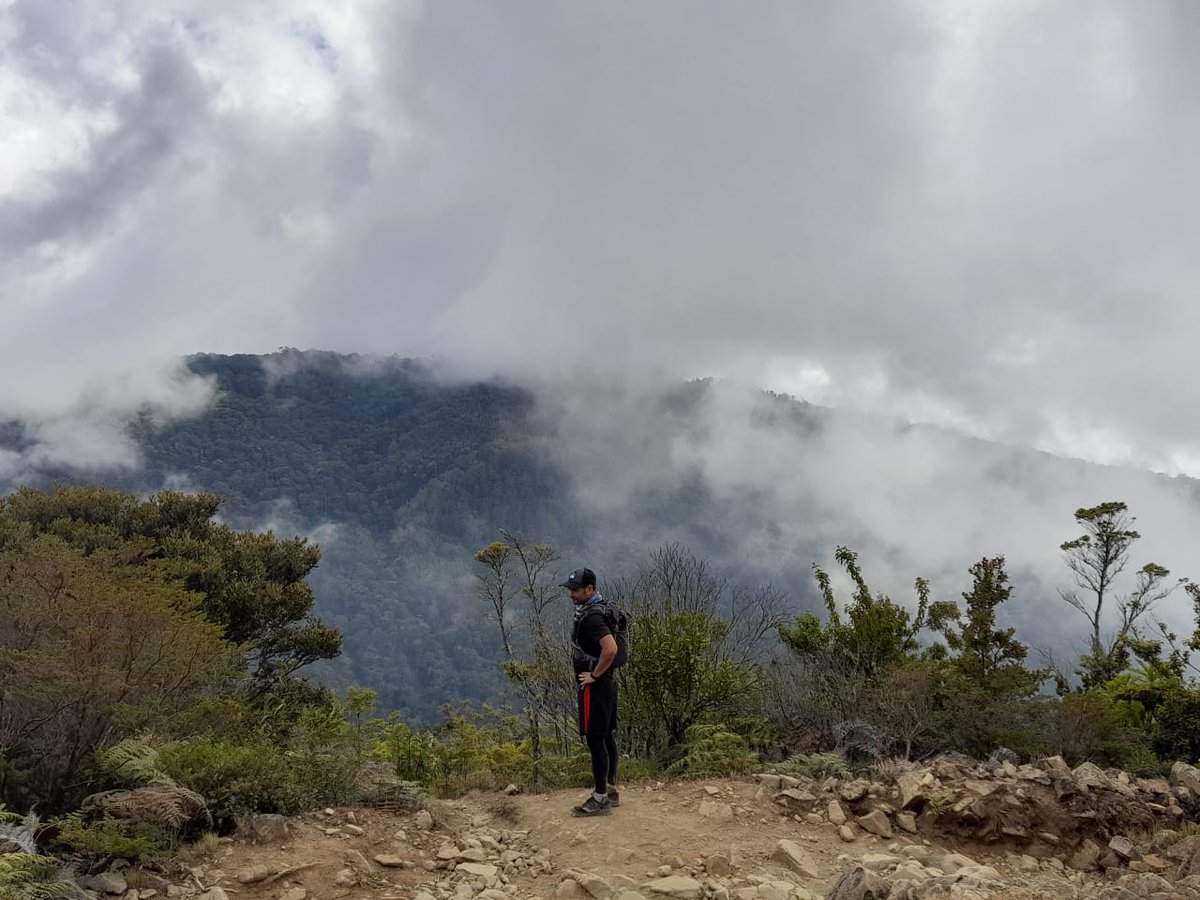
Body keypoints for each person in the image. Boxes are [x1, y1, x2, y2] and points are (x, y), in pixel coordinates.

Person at [562, 566, 620, 817]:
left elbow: (611, 649)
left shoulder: (593, 617)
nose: (571, 594)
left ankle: (599, 799)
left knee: (595, 740)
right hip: (607, 684)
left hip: (595, 687)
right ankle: (611, 790)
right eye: (570, 589)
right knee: (606, 736)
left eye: (576, 590)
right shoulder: (602, 608)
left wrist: (594, 675)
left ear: (590, 589)